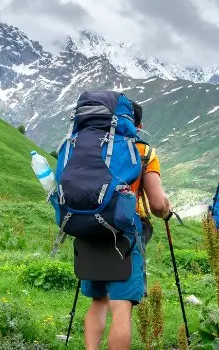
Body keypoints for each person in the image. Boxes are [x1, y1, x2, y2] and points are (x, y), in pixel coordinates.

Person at [82, 101, 171, 350]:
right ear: (138, 126)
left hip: (89, 227)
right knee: (121, 306)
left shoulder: (88, 146)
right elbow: (156, 205)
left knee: (98, 300)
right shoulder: (144, 152)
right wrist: (166, 209)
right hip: (125, 230)